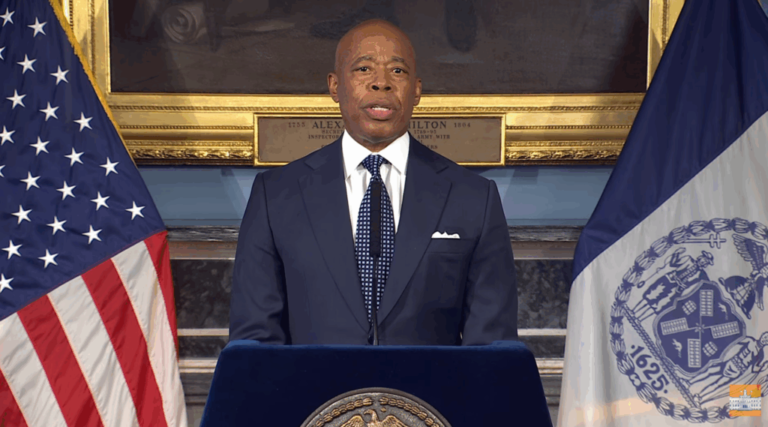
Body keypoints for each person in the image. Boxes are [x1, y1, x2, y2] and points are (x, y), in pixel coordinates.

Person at [229, 19, 517, 345]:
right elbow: (256, 339)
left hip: (428, 397)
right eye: (363, 69)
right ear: (335, 86)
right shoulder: (276, 195)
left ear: (417, 90)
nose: (381, 83)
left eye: (398, 71)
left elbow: (490, 346)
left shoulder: (474, 198)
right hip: (315, 396)